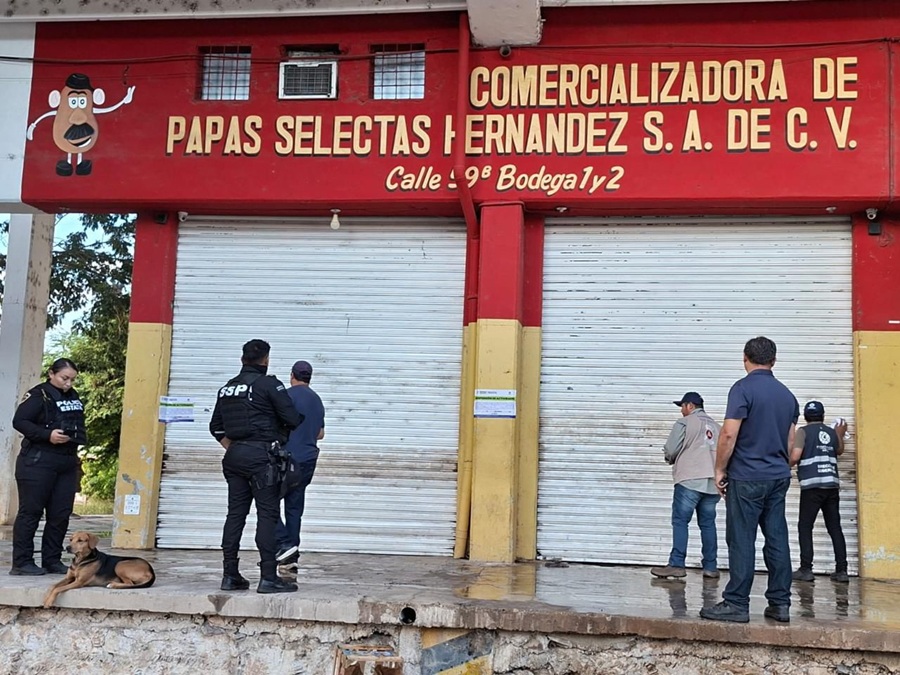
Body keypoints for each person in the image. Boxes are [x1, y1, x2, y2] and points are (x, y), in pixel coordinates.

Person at [700, 336, 799, 624]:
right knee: (777, 537)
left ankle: (736, 603)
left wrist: (719, 470)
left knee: (742, 539)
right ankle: (780, 604)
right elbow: (792, 443)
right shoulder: (788, 396)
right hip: (778, 477)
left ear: (745, 358)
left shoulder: (742, 389)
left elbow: (729, 434)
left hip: (747, 477)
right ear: (774, 361)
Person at [209, 339, 302, 594]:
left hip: (235, 456)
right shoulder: (269, 384)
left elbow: (215, 427)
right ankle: (268, 577)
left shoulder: (227, 388)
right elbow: (292, 418)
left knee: (235, 515)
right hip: (262, 458)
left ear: (242, 360)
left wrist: (237, 448)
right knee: (267, 515)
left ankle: (230, 575)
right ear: (266, 360)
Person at [10, 358, 87, 576]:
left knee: (60, 514)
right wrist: (47, 435)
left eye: (72, 379)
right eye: (64, 378)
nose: (68, 383)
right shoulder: (38, 395)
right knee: (31, 513)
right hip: (38, 462)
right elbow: (20, 421)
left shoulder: (72, 395)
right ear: (51, 374)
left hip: (66, 462)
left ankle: (51, 560)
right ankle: (22, 563)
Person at [651, 392, 721, 580]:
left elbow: (672, 449)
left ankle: (676, 564)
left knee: (680, 521)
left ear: (690, 406)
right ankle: (711, 567)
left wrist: (669, 458)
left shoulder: (685, 422)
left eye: (682, 406)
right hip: (713, 482)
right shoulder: (717, 426)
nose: (682, 411)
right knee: (708, 524)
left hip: (690, 479)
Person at [790, 400, 849, 583]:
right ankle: (842, 570)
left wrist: (785, 463)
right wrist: (839, 434)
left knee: (805, 526)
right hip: (831, 486)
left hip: (812, 487)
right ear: (823, 416)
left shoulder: (803, 432)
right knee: (835, 527)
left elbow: (795, 456)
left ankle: (806, 569)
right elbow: (839, 450)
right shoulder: (831, 432)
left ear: (806, 417)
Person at [274, 360, 326, 567]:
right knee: (295, 508)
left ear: (292, 375)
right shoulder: (317, 399)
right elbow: (320, 434)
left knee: (269, 503)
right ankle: (291, 556)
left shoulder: (285, 396)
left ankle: (285, 544)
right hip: (308, 459)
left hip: (287, 459)